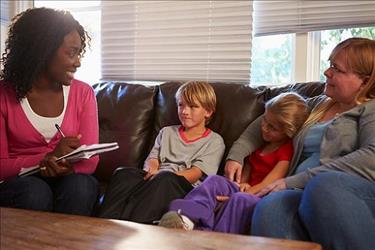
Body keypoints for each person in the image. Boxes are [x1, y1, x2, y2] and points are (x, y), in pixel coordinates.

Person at [225, 37, 375, 250]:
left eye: (336, 69)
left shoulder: (370, 110)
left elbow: (372, 157)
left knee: (322, 185)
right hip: (299, 190)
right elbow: (266, 121)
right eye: (329, 64)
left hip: (346, 193)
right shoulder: (318, 104)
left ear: (364, 80)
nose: (327, 72)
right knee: (270, 207)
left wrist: (296, 180)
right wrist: (236, 156)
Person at [158, 92, 309, 234]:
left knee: (240, 199)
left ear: (288, 132)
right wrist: (241, 184)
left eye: (272, 127)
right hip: (247, 189)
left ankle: (216, 239)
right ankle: (186, 217)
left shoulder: (286, 151)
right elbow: (248, 167)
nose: (264, 127)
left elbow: (268, 184)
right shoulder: (261, 144)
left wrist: (241, 193)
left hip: (262, 196)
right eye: (264, 120)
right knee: (214, 181)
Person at [0, 7, 99, 216]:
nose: (78, 62)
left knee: (81, 186)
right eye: (71, 53)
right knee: (35, 192)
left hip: (67, 179)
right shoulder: (3, 95)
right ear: (42, 50)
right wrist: (46, 158)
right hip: (21, 184)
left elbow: (91, 160)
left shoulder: (84, 93)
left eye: (79, 53)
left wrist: (66, 168)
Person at [98, 81, 225, 224]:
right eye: (181, 105)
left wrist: (162, 175)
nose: (184, 111)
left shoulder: (214, 141)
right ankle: (105, 224)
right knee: (123, 173)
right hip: (155, 178)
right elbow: (153, 158)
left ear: (208, 111)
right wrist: (152, 169)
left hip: (182, 185)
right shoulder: (166, 132)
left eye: (193, 106)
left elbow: (196, 173)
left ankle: (137, 226)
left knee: (165, 179)